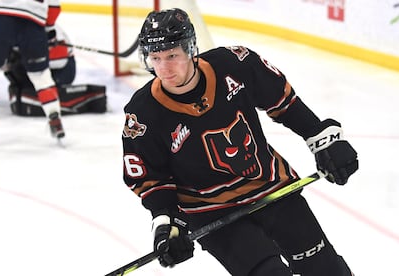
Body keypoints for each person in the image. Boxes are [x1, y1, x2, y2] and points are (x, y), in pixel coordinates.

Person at [122, 8, 358, 276]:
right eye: (155, 58)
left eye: (172, 56)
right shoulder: (142, 114)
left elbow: (284, 103)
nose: (164, 68)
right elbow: (150, 178)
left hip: (270, 188)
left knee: (326, 271)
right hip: (212, 212)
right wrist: (166, 223)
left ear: (190, 49)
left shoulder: (235, 64)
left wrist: (321, 139)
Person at [0, 0, 65, 140]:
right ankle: (54, 118)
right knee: (40, 75)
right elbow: (54, 7)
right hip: (32, 23)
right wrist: (48, 30)